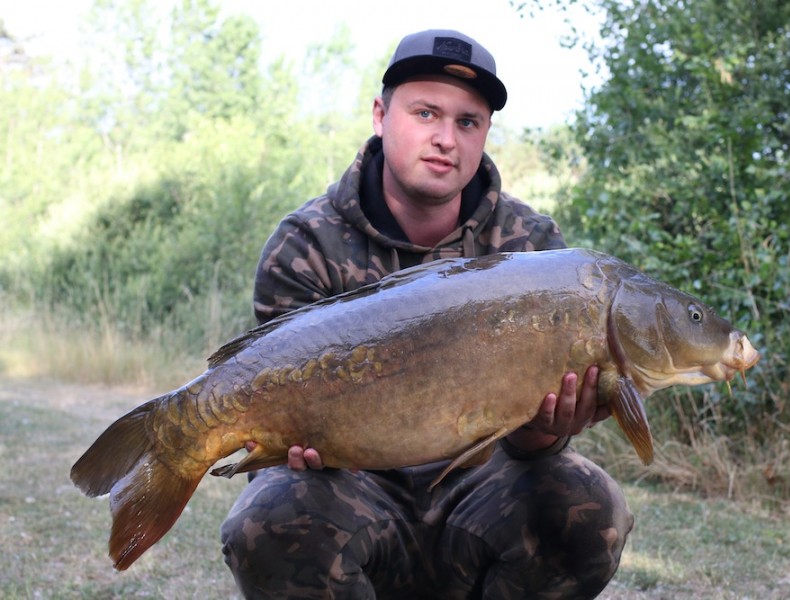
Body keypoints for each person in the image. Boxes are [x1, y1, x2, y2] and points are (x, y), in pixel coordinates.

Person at [220, 29, 633, 599]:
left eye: (468, 122)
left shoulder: (532, 246)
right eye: (425, 113)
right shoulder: (305, 242)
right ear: (380, 115)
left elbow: (529, 448)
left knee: (591, 508)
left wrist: (545, 433)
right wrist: (290, 448)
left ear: (486, 133)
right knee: (266, 518)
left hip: (478, 494)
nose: (445, 138)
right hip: (353, 488)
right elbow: (277, 416)